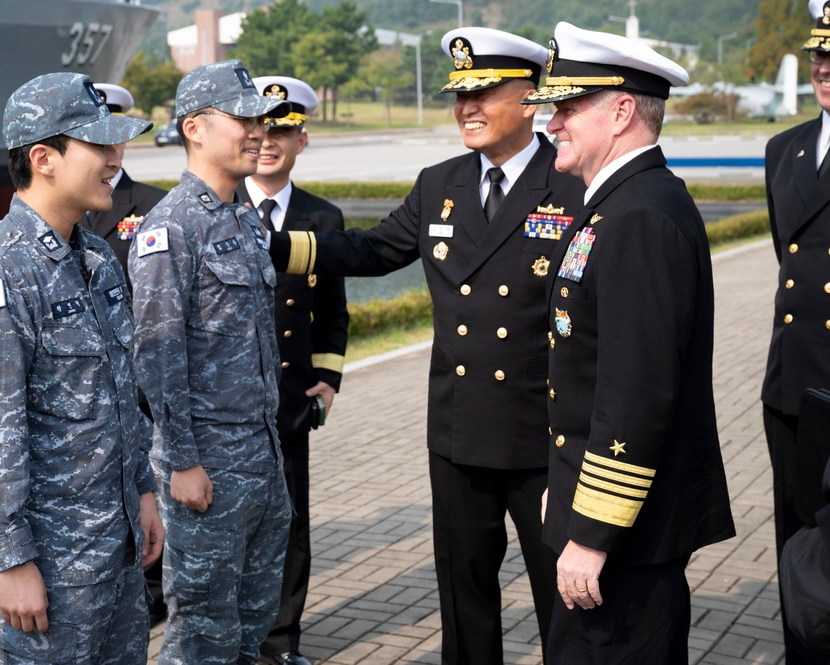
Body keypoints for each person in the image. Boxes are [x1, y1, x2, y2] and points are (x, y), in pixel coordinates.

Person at [267, 28, 586, 664]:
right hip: (461, 431)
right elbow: (372, 250)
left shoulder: (573, 181)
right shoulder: (439, 181)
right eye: (459, 95)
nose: (467, 108)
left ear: (531, 97)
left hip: (543, 435)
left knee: (564, 597)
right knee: (464, 596)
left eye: (484, 92)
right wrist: (266, 243)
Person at [521, 22, 736, 664]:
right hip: (603, 507)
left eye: (566, 108)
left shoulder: (639, 215)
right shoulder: (620, 202)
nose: (552, 123)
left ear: (620, 112)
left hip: (625, 535)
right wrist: (564, 488)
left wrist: (591, 534)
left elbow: (635, 394)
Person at [0, 72, 165, 664]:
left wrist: (143, 489)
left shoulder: (93, 258)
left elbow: (121, 391)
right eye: (100, 146)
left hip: (115, 550)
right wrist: (11, 560)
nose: (117, 159)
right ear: (44, 158)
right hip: (50, 565)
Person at [128, 60, 293, 665]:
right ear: (195, 127)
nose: (258, 132)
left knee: (251, 626)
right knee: (201, 629)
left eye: (263, 120)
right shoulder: (171, 228)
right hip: (208, 466)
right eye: (243, 118)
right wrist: (181, 461)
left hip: (261, 454)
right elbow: (157, 355)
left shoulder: (244, 220)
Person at [235, 76, 349, 665]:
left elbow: (332, 314)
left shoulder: (321, 218)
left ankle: (278, 645)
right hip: (226, 406)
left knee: (289, 527)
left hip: (287, 403)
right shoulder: (219, 210)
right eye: (261, 128)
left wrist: (327, 380)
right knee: (226, 531)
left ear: (302, 139)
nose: (270, 141)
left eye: (284, 130)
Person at [85, 80, 170, 627]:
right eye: (97, 135)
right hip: (84, 394)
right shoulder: (54, 215)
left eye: (117, 135)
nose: (110, 148)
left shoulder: (154, 206)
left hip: (138, 383)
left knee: (150, 492)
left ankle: (154, 592)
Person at [763, 2, 830, 662]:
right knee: (793, 533)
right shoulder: (783, 149)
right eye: (818, 55)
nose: (823, 69)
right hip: (788, 382)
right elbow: (788, 257)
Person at [81, 83, 168, 283]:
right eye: (95, 137)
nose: (107, 144)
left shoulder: (159, 206)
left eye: (114, 133)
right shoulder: (59, 206)